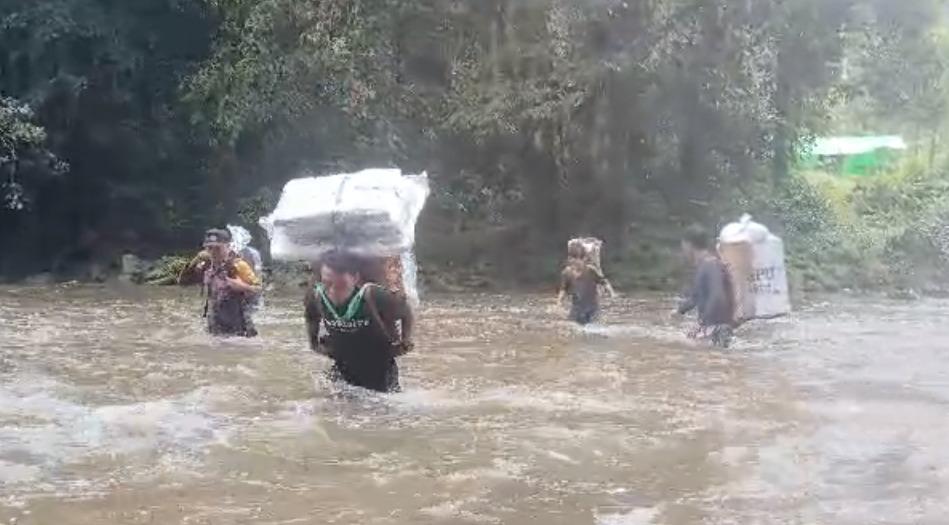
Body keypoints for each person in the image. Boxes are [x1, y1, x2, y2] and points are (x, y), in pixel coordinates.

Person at [303, 251, 415, 393]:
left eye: (340, 285)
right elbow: (311, 316)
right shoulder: (318, 295)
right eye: (327, 283)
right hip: (342, 366)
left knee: (383, 409)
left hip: (380, 369)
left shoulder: (371, 295)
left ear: (355, 278)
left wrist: (405, 340)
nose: (333, 291)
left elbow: (405, 311)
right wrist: (313, 343)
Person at [675, 225, 736, 347]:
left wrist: (701, 322)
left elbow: (717, 295)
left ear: (688, 245)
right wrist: (679, 311)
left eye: (683, 245)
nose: (683, 249)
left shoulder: (710, 265)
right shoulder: (705, 265)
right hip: (713, 328)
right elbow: (695, 298)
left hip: (717, 329)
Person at [195, 228, 261, 337]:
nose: (213, 252)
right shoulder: (206, 267)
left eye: (218, 248)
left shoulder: (239, 266)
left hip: (239, 326)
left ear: (227, 246)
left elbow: (258, 290)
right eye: (209, 248)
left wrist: (242, 287)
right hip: (215, 323)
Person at [558, 242, 616, 325]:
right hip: (577, 309)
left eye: (578, 258)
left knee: (594, 329)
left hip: (592, 308)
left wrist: (611, 293)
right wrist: (559, 302)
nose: (575, 261)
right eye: (572, 258)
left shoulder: (591, 270)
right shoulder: (566, 273)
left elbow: (604, 282)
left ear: (584, 259)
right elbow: (563, 289)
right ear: (569, 259)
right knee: (573, 328)